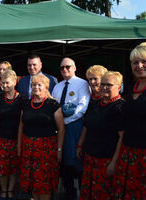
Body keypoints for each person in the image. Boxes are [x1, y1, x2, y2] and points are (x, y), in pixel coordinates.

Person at [114, 41, 146, 199]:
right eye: (135, 62)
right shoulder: (132, 88)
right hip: (128, 157)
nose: (139, 66)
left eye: (145, 61)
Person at [76, 71, 124, 200]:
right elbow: (86, 126)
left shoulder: (120, 107)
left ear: (119, 87)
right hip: (90, 157)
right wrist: (80, 145)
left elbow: (122, 137)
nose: (104, 87)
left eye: (108, 85)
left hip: (106, 160)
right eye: (102, 84)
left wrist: (114, 163)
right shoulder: (95, 104)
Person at [18, 73, 65, 200]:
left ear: (46, 87)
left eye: (39, 85)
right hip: (28, 148)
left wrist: (59, 150)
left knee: (44, 182)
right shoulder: (26, 104)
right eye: (33, 85)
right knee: (32, 180)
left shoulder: (53, 105)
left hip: (46, 149)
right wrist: (19, 146)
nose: (36, 87)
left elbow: (61, 129)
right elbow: (21, 127)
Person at [51, 57, 90, 199]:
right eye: (62, 68)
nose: (65, 70)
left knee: (77, 161)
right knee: (62, 161)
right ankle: (68, 192)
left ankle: (81, 192)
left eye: (68, 66)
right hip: (59, 127)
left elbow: (82, 107)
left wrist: (65, 120)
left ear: (74, 68)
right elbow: (53, 105)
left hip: (74, 127)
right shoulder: (57, 86)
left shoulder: (83, 84)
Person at [0, 69, 23, 200]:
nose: (4, 86)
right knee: (2, 168)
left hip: (16, 139)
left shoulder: (22, 99)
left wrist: (20, 142)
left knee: (14, 167)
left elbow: (22, 122)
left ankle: (10, 190)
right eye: (2, 83)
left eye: (7, 83)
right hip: (0, 138)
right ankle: (4, 191)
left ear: (15, 82)